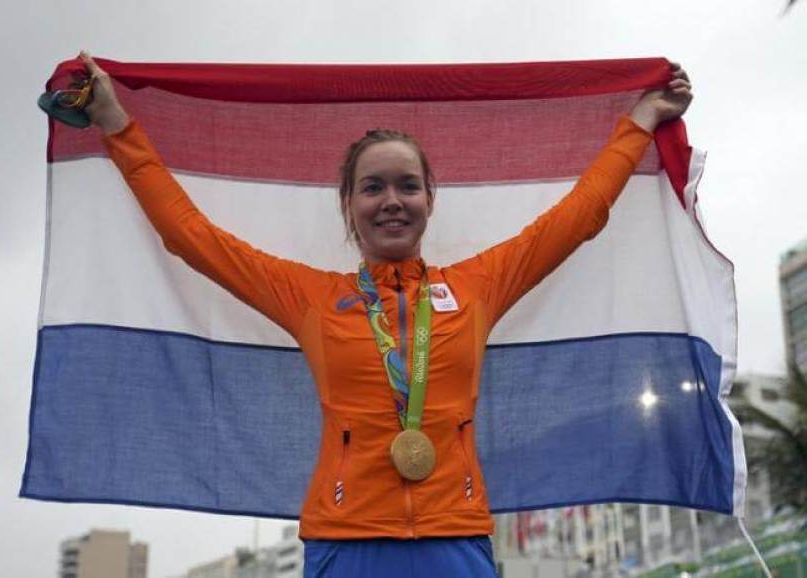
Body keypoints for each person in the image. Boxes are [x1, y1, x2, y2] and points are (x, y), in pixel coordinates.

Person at [76, 51, 692, 578]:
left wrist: (640, 121)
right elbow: (191, 236)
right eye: (372, 188)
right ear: (348, 204)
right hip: (345, 542)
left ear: (430, 199)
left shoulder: (478, 286)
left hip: (455, 537)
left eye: (406, 185)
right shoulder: (310, 297)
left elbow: (577, 217)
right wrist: (114, 123)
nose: (391, 201)